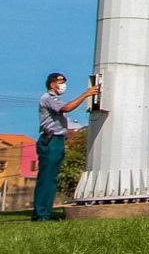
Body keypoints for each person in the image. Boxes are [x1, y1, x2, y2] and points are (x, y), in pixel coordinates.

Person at [33, 72, 99, 222]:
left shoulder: (53, 99)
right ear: (52, 84)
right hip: (50, 141)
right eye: (60, 82)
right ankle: (41, 214)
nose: (63, 85)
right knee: (47, 179)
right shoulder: (48, 99)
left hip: (57, 140)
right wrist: (86, 95)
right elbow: (67, 108)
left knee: (52, 179)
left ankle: (45, 212)